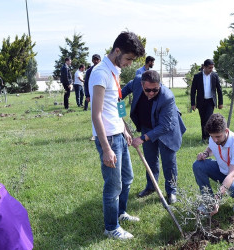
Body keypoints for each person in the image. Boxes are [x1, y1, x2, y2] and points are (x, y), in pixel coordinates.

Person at [89, 31, 145, 240]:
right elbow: (96, 114)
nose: (130, 63)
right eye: (129, 58)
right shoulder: (100, 72)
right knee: (113, 186)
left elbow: (118, 102)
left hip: (119, 134)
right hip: (109, 138)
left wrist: (126, 129)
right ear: (117, 51)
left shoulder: (114, 71)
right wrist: (105, 148)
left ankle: (121, 213)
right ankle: (111, 227)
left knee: (127, 178)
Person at [122, 70, 186, 204]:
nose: (151, 93)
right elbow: (125, 90)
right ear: (141, 84)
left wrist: (142, 138)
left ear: (160, 85)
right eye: (148, 90)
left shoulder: (167, 97)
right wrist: (117, 100)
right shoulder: (136, 82)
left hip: (167, 130)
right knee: (150, 160)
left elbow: (164, 126)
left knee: (168, 161)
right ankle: (151, 187)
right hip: (147, 127)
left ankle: (171, 191)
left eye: (155, 90)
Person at [192, 113, 234, 214]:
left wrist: (218, 198)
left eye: (217, 136)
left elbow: (232, 174)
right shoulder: (214, 138)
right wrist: (205, 154)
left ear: (226, 131)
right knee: (198, 165)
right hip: (224, 170)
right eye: (211, 136)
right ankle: (208, 201)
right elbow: (211, 147)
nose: (214, 140)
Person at [191, 59, 223, 142]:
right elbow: (193, 91)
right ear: (204, 67)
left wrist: (220, 102)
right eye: (209, 68)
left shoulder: (215, 76)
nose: (211, 69)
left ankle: (209, 137)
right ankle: (204, 137)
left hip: (210, 101)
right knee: (203, 119)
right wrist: (193, 103)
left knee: (208, 119)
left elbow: (219, 89)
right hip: (201, 101)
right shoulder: (197, 76)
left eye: (212, 68)